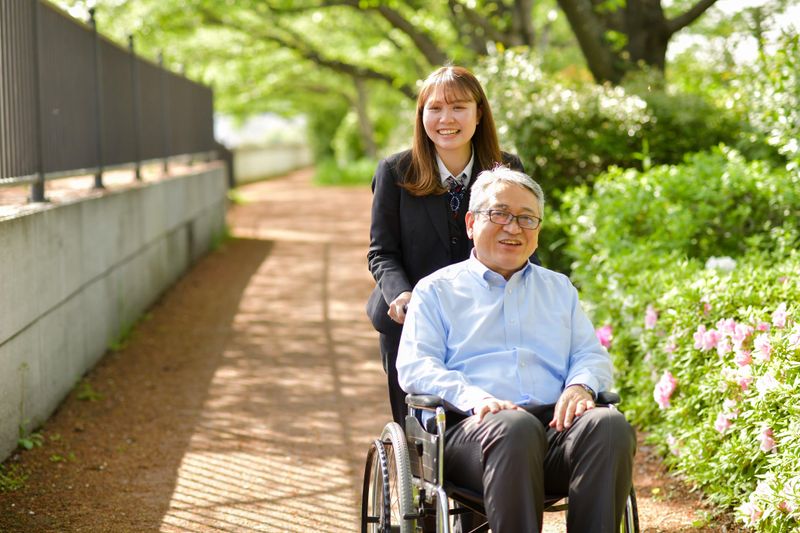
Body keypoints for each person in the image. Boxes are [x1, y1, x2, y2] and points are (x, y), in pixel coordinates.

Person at [396, 167, 636, 532]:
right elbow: (416, 366)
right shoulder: (436, 290)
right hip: (473, 433)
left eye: (527, 218)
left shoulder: (559, 289)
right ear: (471, 223)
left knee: (608, 425)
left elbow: (589, 354)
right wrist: (475, 398)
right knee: (514, 427)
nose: (514, 227)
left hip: (555, 429)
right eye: (500, 214)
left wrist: (581, 385)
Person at [367, 65, 527, 426]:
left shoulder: (507, 168)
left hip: (485, 317)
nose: (446, 119)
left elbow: (521, 239)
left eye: (458, 107)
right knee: (420, 429)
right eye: (435, 108)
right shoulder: (395, 171)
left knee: (491, 417)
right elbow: (382, 252)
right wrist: (402, 295)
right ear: (421, 115)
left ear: (478, 113)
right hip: (411, 319)